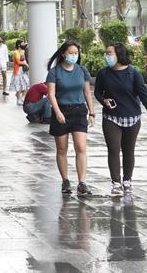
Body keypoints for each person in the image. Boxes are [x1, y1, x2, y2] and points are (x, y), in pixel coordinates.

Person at [94, 43, 147, 196]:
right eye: (106, 53)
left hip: (132, 117)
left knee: (129, 150)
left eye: (109, 53)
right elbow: (97, 93)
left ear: (119, 55)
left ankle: (127, 181)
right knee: (114, 149)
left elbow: (143, 94)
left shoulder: (133, 73)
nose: (106, 56)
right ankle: (116, 183)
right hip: (111, 117)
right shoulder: (103, 73)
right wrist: (104, 100)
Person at [46, 40, 95, 196]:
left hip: (79, 111)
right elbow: (51, 94)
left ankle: (82, 182)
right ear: (63, 54)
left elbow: (87, 93)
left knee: (81, 147)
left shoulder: (82, 70)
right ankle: (65, 180)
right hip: (61, 111)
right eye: (71, 53)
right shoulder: (54, 72)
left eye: (76, 53)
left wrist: (92, 112)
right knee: (62, 149)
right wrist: (58, 111)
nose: (74, 56)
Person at [11, 40, 30, 105]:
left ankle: (21, 97)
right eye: (22, 43)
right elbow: (18, 62)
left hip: (23, 70)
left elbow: (24, 60)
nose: (24, 44)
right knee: (18, 85)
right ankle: (18, 99)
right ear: (19, 45)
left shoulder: (22, 51)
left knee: (27, 83)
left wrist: (25, 63)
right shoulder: (16, 52)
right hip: (17, 70)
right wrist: (24, 63)